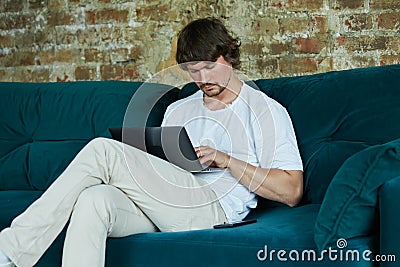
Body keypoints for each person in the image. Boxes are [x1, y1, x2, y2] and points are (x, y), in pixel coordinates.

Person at [0, 18, 303, 267]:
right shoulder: (180, 108)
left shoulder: (264, 110)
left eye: (209, 67)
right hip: (167, 204)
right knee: (94, 199)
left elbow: (292, 191)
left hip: (214, 209)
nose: (202, 78)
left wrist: (226, 159)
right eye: (193, 71)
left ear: (229, 55)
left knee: (101, 150)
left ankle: (12, 249)